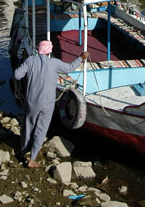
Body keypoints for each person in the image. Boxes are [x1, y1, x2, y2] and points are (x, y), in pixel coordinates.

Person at [14, 39, 89, 168]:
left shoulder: (30, 60)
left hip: (32, 101)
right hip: (47, 103)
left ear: (39, 50)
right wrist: (81, 57)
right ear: (49, 52)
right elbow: (70, 67)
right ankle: (32, 158)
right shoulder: (55, 63)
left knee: (28, 125)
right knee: (41, 129)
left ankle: (23, 150)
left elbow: (17, 75)